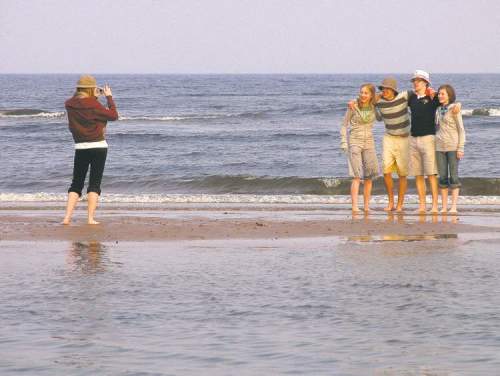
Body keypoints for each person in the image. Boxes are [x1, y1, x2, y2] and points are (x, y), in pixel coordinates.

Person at [62, 75, 118, 225]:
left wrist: (94, 98)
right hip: (98, 146)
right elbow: (113, 115)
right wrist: (109, 97)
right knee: (94, 183)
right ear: (91, 89)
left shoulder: (69, 104)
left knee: (76, 183)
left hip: (80, 147)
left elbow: (84, 109)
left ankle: (67, 218)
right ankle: (90, 219)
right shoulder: (94, 105)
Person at [407, 70, 460, 213]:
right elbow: (393, 100)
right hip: (413, 139)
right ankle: (422, 206)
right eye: (414, 80)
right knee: (418, 174)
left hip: (429, 139)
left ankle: (435, 206)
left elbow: (449, 100)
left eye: (419, 80)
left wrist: (458, 105)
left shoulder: (433, 97)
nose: (416, 82)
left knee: (431, 174)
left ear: (426, 82)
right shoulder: (411, 98)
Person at [340, 83, 381, 212]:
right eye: (361, 92)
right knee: (357, 176)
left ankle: (367, 207)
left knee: (369, 176)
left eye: (366, 93)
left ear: (371, 95)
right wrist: (344, 142)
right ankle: (355, 207)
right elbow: (344, 125)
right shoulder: (353, 106)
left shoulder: (374, 105)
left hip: (369, 142)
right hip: (355, 142)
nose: (363, 95)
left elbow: (386, 95)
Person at [435, 84, 465, 213]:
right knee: (442, 177)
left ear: (449, 95)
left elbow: (461, 130)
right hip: (439, 147)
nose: (440, 96)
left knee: (453, 177)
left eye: (443, 94)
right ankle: (444, 207)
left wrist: (460, 148)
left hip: (453, 147)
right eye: (439, 93)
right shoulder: (437, 109)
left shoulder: (454, 109)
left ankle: (453, 207)